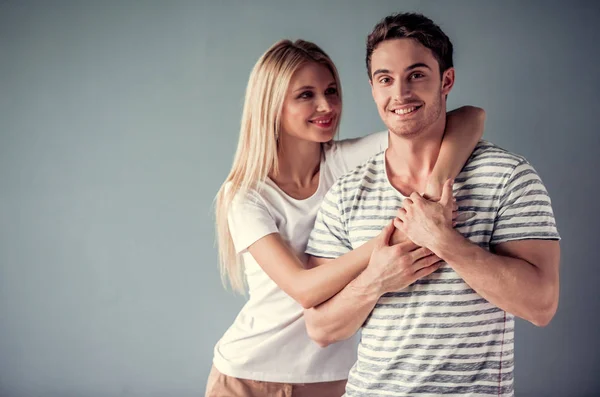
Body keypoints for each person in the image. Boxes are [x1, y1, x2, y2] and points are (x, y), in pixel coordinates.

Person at [206, 38, 485, 397]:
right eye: (305, 95)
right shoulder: (246, 195)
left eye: (331, 90)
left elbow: (469, 117)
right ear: (272, 106)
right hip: (247, 377)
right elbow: (304, 289)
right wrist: (401, 237)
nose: (327, 106)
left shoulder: (344, 162)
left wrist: (432, 191)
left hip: (334, 380)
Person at [305, 12, 561, 397]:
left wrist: (444, 241)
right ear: (373, 89)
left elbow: (541, 306)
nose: (400, 93)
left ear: (447, 81)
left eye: (417, 75)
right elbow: (321, 330)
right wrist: (376, 281)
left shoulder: (508, 176)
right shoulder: (346, 193)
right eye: (385, 79)